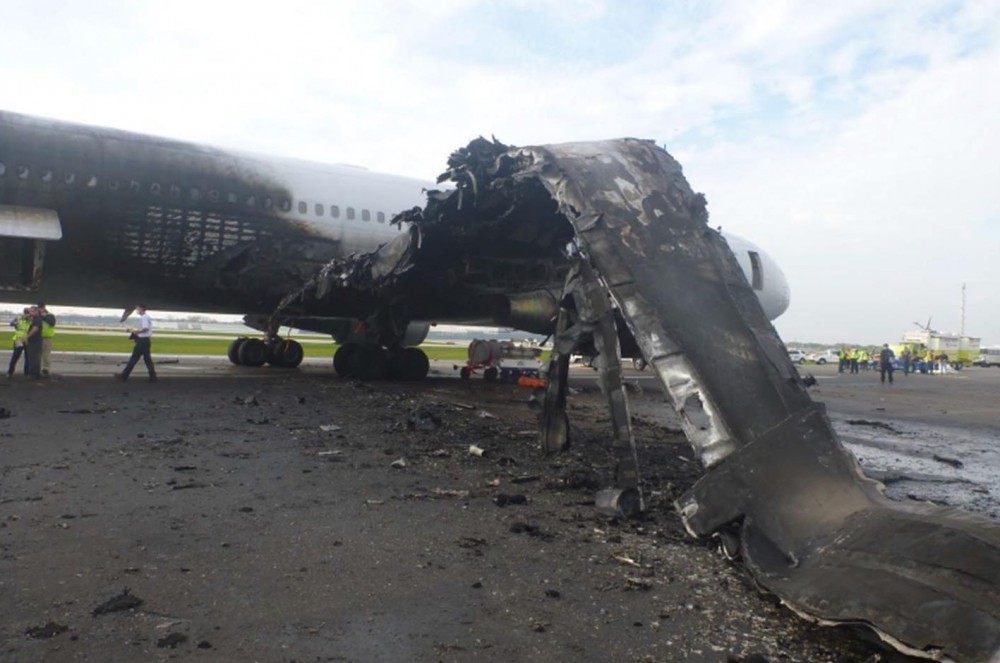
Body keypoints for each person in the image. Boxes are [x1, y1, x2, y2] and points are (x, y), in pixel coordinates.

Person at [116, 304, 157, 382]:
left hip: (142, 341)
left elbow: (145, 329)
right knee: (147, 359)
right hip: (145, 341)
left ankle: (124, 375)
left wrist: (135, 332)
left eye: (137, 308)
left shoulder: (144, 317)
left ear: (141, 309)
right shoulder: (145, 317)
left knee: (134, 358)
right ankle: (153, 376)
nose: (136, 310)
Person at [7, 308, 31, 378]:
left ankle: (27, 373)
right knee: (15, 356)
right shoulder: (19, 318)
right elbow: (11, 323)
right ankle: (10, 372)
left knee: (28, 357)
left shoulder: (31, 320)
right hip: (19, 339)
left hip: (27, 339)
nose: (28, 315)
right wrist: (15, 323)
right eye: (27, 313)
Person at [23, 306, 44, 378]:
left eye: (32, 311)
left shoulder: (37, 320)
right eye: (30, 311)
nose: (30, 313)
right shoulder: (33, 319)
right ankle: (34, 373)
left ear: (36, 311)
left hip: (35, 341)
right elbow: (23, 318)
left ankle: (34, 374)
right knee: (32, 357)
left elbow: (35, 329)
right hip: (33, 341)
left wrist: (27, 337)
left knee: (34, 358)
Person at [38, 303, 56, 376]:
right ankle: (37, 368)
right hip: (39, 337)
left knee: (46, 355)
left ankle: (46, 369)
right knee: (38, 354)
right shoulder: (38, 316)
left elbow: (52, 323)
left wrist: (44, 316)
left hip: (47, 337)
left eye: (41, 308)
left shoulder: (50, 316)